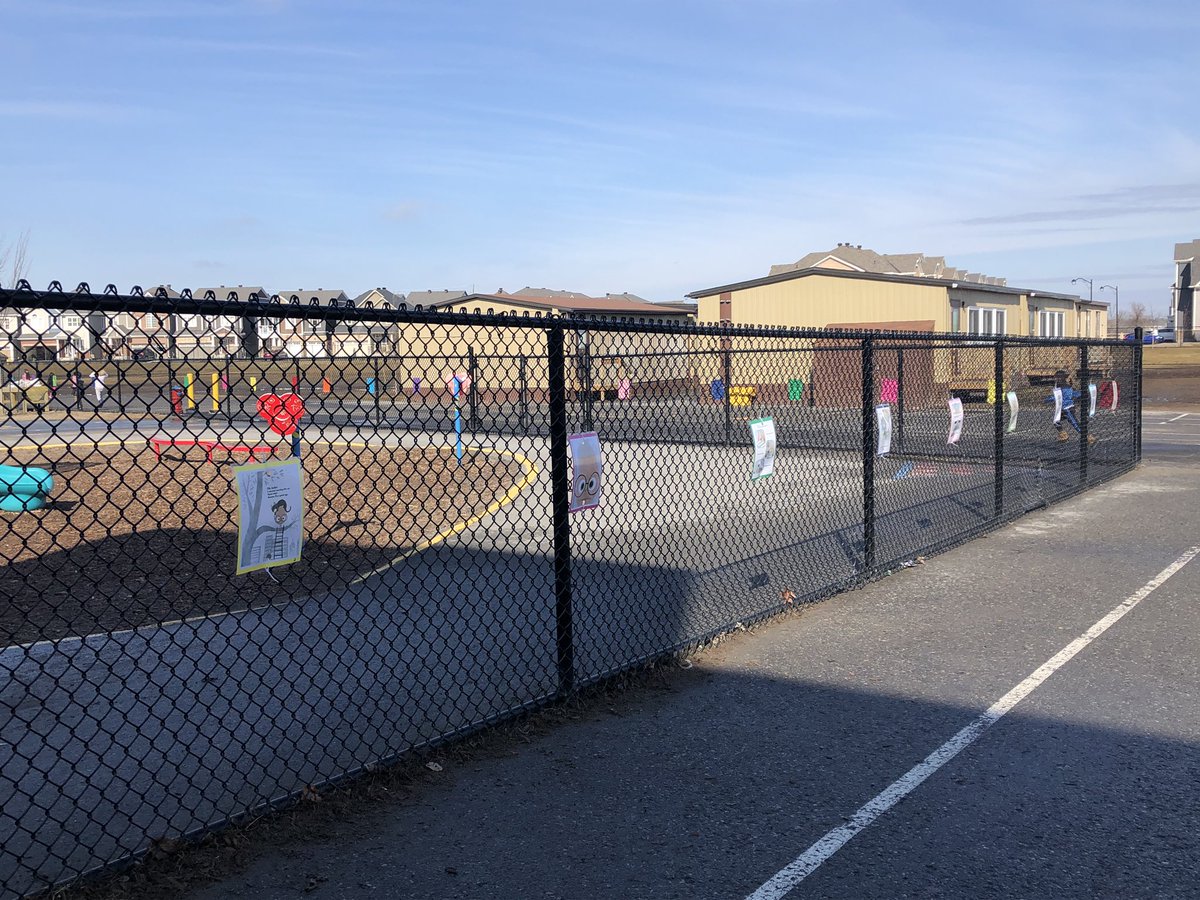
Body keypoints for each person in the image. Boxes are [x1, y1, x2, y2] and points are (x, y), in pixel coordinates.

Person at [1046, 370, 1095, 445]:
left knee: (1075, 424)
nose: (1056, 379)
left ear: (1061, 378)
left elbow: (1060, 397)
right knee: (1056, 421)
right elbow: (1074, 394)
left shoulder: (1064, 387)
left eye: (1057, 378)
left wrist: (1048, 399)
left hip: (1068, 409)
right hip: (1063, 409)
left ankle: (1088, 437)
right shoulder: (1061, 386)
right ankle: (1063, 435)